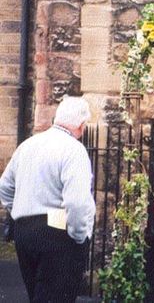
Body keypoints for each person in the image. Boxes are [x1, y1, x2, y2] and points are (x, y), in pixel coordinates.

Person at [0, 96, 96, 303]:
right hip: (58, 233)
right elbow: (77, 203)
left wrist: (19, 211)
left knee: (37, 295)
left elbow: (5, 187)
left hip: (24, 232)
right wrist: (79, 236)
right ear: (81, 126)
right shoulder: (74, 150)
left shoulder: (27, 145)